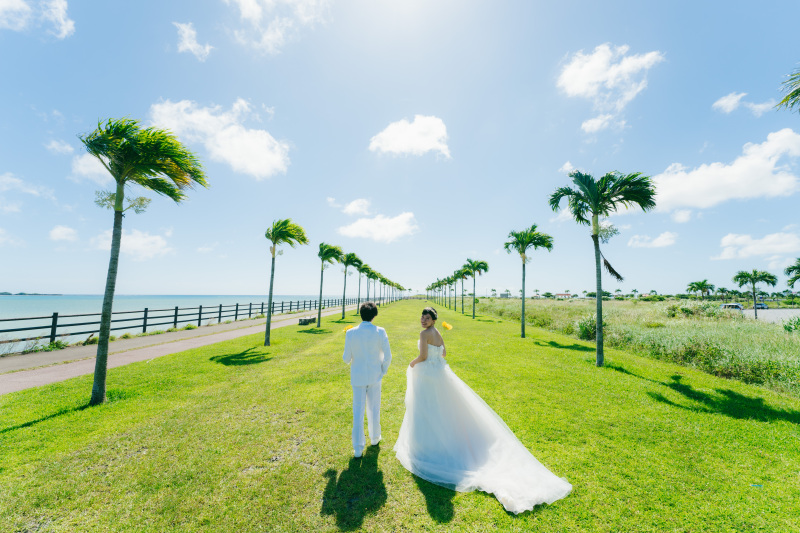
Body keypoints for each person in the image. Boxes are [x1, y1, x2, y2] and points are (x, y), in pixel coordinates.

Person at [393, 307, 572, 514]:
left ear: (433, 320)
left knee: (428, 409)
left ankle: (427, 446)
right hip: (440, 373)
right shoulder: (437, 332)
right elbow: (443, 351)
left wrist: (413, 363)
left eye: (427, 318)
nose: (423, 320)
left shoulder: (425, 334)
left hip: (428, 375)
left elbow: (423, 356)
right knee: (443, 410)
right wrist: (435, 361)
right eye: (422, 317)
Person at [343, 302, 392, 457]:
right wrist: (382, 371)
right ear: (375, 315)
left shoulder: (350, 333)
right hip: (374, 376)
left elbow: (346, 358)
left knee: (358, 411)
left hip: (357, 377)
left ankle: (357, 448)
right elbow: (388, 356)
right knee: (374, 408)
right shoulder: (380, 331)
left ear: (360, 313)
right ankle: (375, 438)